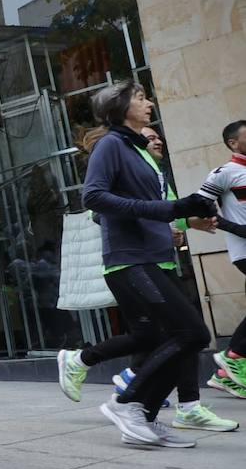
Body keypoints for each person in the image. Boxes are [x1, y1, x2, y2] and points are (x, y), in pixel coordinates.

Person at [64, 81, 218, 446]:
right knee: (190, 333)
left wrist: (186, 214)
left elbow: (155, 207)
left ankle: (141, 417)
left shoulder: (139, 151)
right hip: (131, 261)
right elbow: (94, 197)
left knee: (175, 337)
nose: (148, 103)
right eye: (140, 98)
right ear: (119, 108)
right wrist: (171, 209)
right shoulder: (111, 145)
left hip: (153, 257)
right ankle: (128, 403)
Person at [199, 120, 246, 399]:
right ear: (233, 143)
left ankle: (224, 375)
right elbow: (201, 202)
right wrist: (231, 227)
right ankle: (233, 355)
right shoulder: (225, 173)